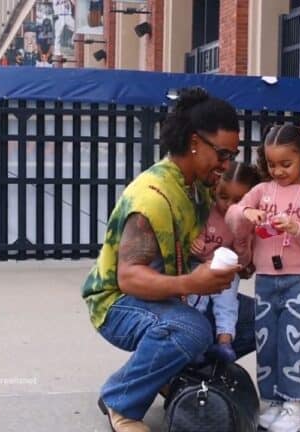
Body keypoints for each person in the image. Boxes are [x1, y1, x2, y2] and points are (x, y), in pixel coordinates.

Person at [81, 88, 256, 432]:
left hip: (173, 295)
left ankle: (169, 374)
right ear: (194, 141)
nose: (226, 165)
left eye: (232, 155)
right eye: (222, 154)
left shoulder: (200, 186)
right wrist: (194, 282)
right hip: (117, 304)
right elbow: (129, 279)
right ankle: (121, 401)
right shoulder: (153, 197)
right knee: (191, 328)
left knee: (259, 319)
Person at [227, 124, 300, 432]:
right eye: (272, 164)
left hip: (299, 280)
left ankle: (295, 405)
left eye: (286, 164)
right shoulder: (261, 191)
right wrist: (246, 213)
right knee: (267, 341)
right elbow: (234, 213)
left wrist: (297, 228)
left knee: (295, 343)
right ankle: (273, 401)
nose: (278, 171)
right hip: (266, 280)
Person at [186, 161, 261, 363]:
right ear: (215, 191)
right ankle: (193, 342)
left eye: (238, 201)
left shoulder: (246, 224)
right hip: (200, 266)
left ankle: (224, 342)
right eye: (223, 196)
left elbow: (245, 263)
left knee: (227, 304)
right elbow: (194, 233)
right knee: (196, 300)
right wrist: (196, 241)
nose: (228, 205)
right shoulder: (207, 211)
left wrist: (241, 241)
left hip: (227, 272)